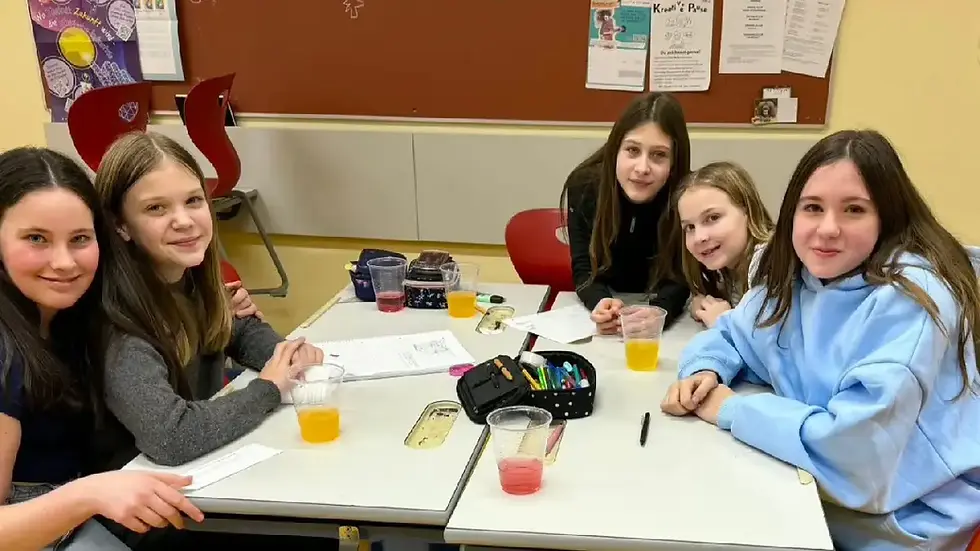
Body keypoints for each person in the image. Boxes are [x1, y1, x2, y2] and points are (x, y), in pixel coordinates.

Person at [662, 130, 980, 550]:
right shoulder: (799, 277)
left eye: (853, 209)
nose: (827, 229)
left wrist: (733, 409)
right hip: (812, 490)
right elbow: (732, 333)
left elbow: (854, 455)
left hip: (898, 522)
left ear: (887, 216)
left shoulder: (912, 301)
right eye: (813, 207)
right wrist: (705, 369)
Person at [0, 147, 202, 549]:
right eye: (36, 238)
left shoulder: (73, 316)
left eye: (79, 239)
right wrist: (88, 494)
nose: (63, 262)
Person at [91, 131, 322, 470]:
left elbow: (236, 330)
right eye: (156, 208)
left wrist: (285, 355)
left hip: (207, 471)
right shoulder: (120, 329)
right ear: (120, 226)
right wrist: (268, 388)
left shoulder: (188, 279)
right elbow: (172, 436)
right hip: (144, 501)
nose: (184, 221)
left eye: (194, 201)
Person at [560, 91, 691, 334]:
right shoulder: (585, 187)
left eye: (659, 155)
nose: (642, 168)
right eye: (632, 150)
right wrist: (599, 301)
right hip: (608, 317)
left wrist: (660, 311)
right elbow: (584, 267)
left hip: (664, 320)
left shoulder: (687, 196)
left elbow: (681, 276)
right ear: (615, 150)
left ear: (674, 163)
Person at [675, 161, 773, 327]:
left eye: (713, 218)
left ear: (747, 211)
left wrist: (725, 321)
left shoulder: (768, 261)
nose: (699, 237)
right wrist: (702, 303)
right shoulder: (726, 264)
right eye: (689, 227)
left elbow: (772, 339)